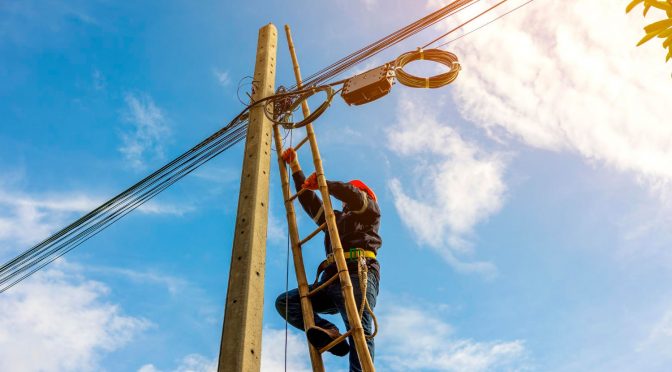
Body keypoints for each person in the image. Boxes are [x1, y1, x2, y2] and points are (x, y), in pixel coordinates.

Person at [275, 147, 382, 372]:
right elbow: (311, 203)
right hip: (331, 280)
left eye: (355, 190)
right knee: (287, 302)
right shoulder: (336, 221)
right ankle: (329, 331)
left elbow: (354, 195)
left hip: (356, 274)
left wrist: (329, 185)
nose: (346, 199)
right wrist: (296, 168)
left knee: (359, 330)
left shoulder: (369, 213)